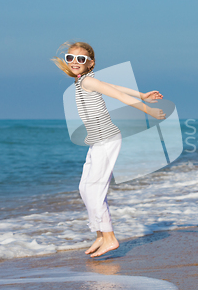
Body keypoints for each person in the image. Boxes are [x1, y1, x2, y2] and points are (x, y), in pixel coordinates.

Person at [52, 41, 165, 258]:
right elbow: (114, 87)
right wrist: (142, 94)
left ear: (90, 63)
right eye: (70, 58)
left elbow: (118, 96)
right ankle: (100, 235)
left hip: (107, 140)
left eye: (81, 59)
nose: (75, 62)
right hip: (97, 141)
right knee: (85, 188)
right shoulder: (83, 81)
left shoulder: (88, 82)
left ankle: (110, 237)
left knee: (95, 189)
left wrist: (148, 110)